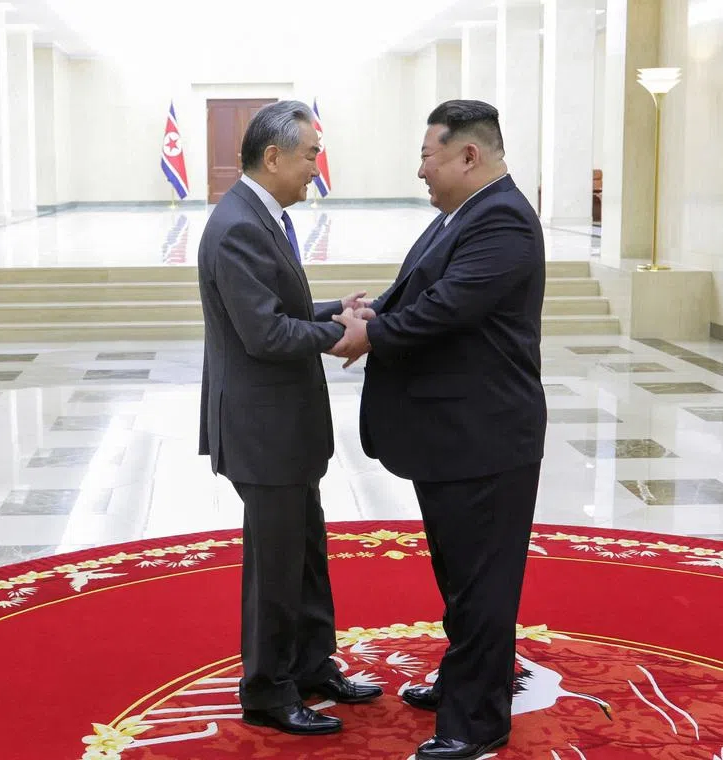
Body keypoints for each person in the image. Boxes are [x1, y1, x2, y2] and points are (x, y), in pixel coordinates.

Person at [333, 100, 547, 760]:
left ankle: (476, 723)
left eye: (428, 155)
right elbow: (421, 290)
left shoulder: (503, 219)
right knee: (463, 578)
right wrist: (373, 309)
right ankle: (469, 677)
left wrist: (370, 335)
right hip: (454, 434)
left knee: (483, 582)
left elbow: (451, 308)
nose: (421, 169)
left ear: (468, 156)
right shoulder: (465, 216)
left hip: (484, 435)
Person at [196, 100, 382, 737]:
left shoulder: (260, 215)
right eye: (309, 155)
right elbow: (266, 334)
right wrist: (339, 332)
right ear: (272, 157)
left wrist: (336, 306)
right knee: (274, 567)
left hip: (284, 429)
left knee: (304, 552)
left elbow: (279, 302)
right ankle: (268, 691)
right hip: (262, 430)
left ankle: (310, 665)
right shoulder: (240, 224)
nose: (315, 168)